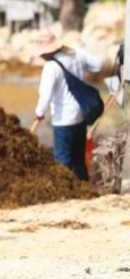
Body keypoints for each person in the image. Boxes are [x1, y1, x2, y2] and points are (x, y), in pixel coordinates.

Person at [29, 32, 104, 180]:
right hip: (81, 115)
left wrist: (39, 114)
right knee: (78, 159)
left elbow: (45, 95)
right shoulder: (76, 54)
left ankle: (66, 191)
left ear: (46, 51)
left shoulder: (51, 67)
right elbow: (98, 65)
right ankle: (84, 189)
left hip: (64, 120)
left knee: (62, 160)